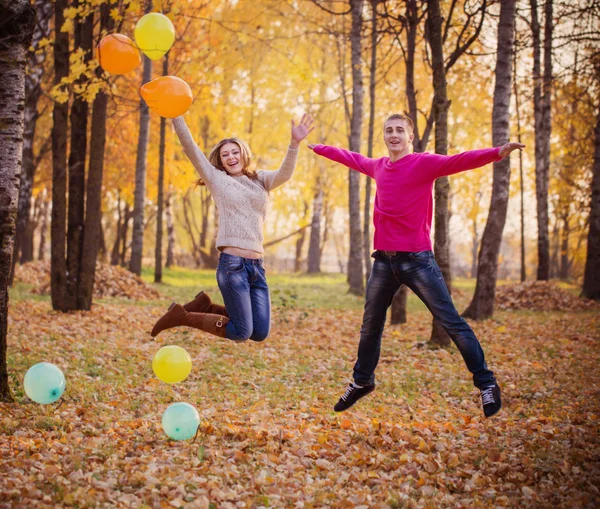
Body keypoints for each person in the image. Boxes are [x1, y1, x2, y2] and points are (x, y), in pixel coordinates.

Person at [308, 113, 524, 417]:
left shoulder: (424, 163)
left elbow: (459, 160)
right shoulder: (378, 166)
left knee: (452, 322)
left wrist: (496, 152)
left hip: (417, 260)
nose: (394, 135)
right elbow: (351, 158)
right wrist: (321, 149)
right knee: (370, 326)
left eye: (400, 130)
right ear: (384, 136)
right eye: (389, 130)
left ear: (411, 137)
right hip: (383, 261)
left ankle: (487, 383)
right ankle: (362, 381)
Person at [151, 113, 315, 341]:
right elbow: (191, 149)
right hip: (233, 266)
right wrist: (176, 115)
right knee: (240, 332)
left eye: (235, 152)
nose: (231, 157)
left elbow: (284, 174)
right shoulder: (217, 179)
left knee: (259, 332)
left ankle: (205, 307)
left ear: (243, 154)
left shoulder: (260, 179)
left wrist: (294, 144)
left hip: (257, 267)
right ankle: (181, 316)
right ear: (220, 161)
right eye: (225, 154)